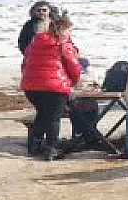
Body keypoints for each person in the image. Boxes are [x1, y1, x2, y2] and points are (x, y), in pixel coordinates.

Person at [20, 15, 82, 161]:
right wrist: (72, 82)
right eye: (68, 30)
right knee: (53, 118)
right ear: (61, 30)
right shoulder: (63, 44)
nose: (69, 34)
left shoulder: (35, 41)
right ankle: (51, 148)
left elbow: (25, 62)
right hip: (54, 87)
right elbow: (74, 67)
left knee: (42, 114)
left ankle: (34, 146)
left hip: (31, 87)